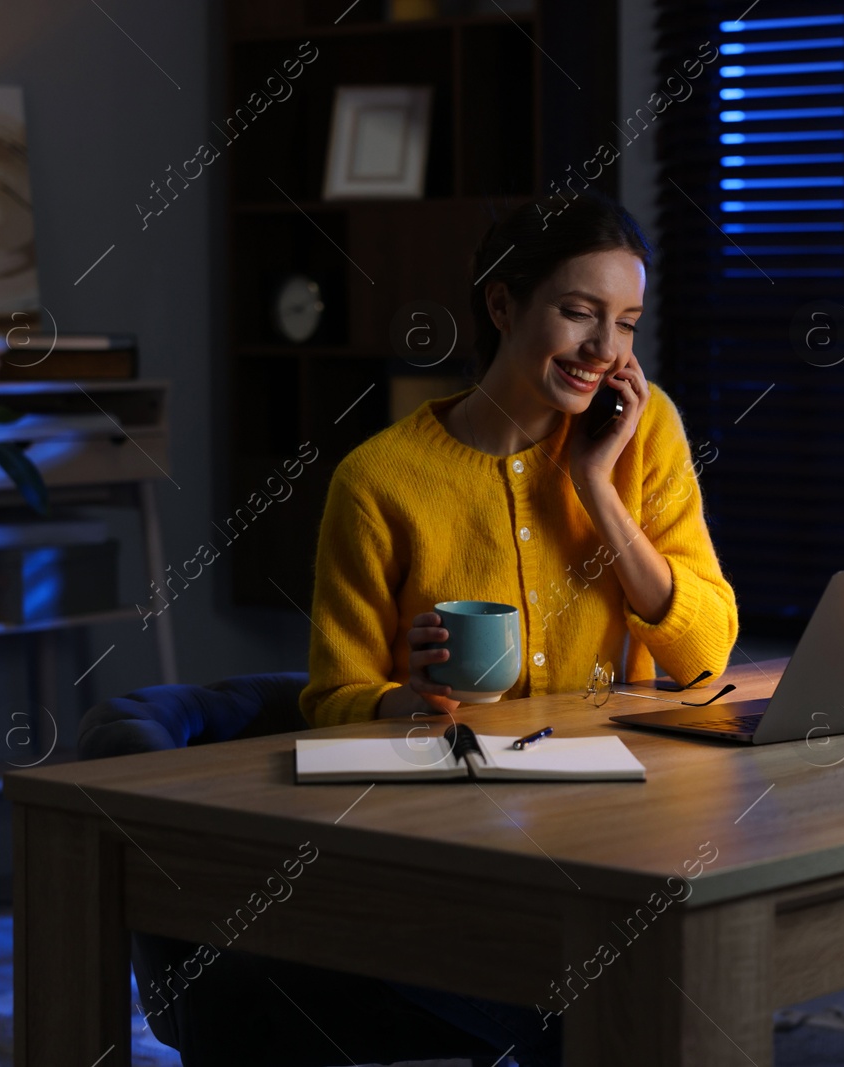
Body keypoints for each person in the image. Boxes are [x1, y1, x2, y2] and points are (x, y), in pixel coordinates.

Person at [300, 192, 738, 727]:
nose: (605, 349)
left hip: (616, 781)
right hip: (453, 790)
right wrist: (411, 701)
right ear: (502, 305)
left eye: (626, 323)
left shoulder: (643, 429)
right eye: (579, 313)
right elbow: (333, 700)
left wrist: (596, 486)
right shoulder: (376, 481)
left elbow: (705, 656)